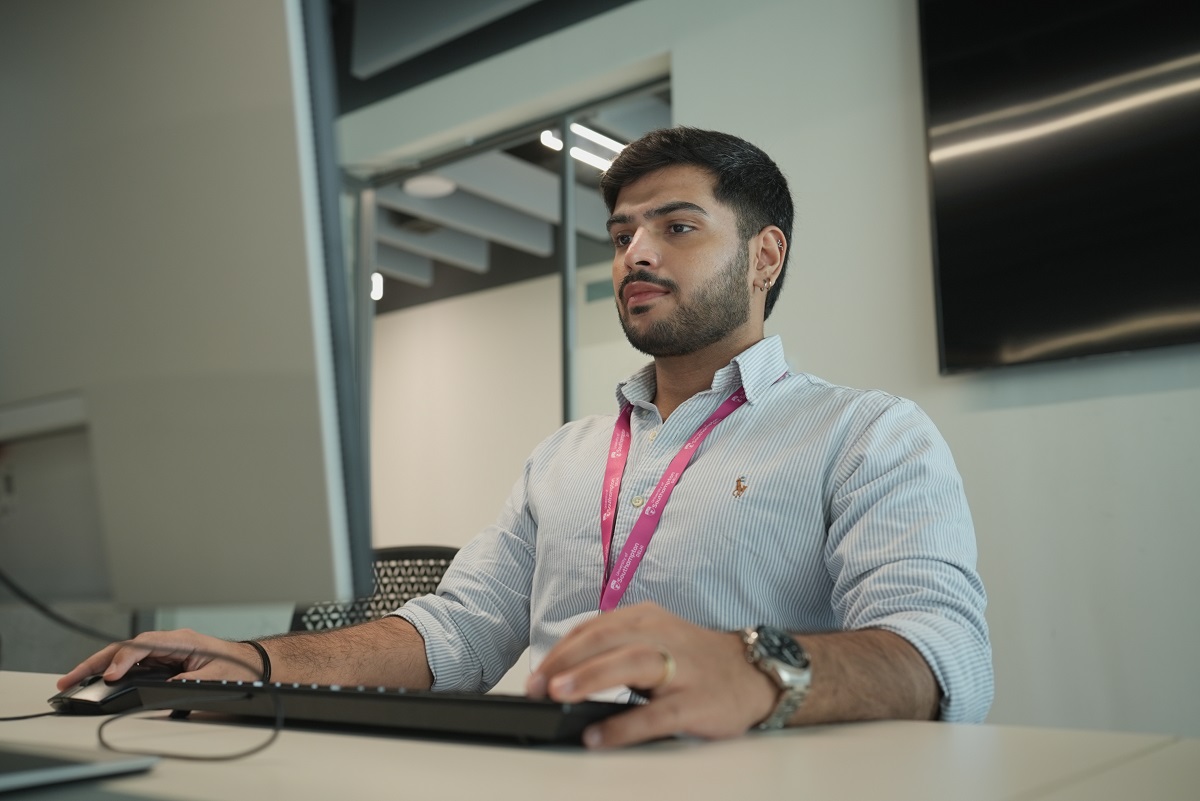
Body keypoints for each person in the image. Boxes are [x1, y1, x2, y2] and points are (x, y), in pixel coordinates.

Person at [60, 127, 992, 749]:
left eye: (676, 226)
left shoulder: (867, 433)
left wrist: (757, 666)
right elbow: (453, 634)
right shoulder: (564, 456)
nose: (636, 252)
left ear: (765, 255)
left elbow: (944, 652)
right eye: (623, 232)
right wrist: (249, 661)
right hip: (534, 770)